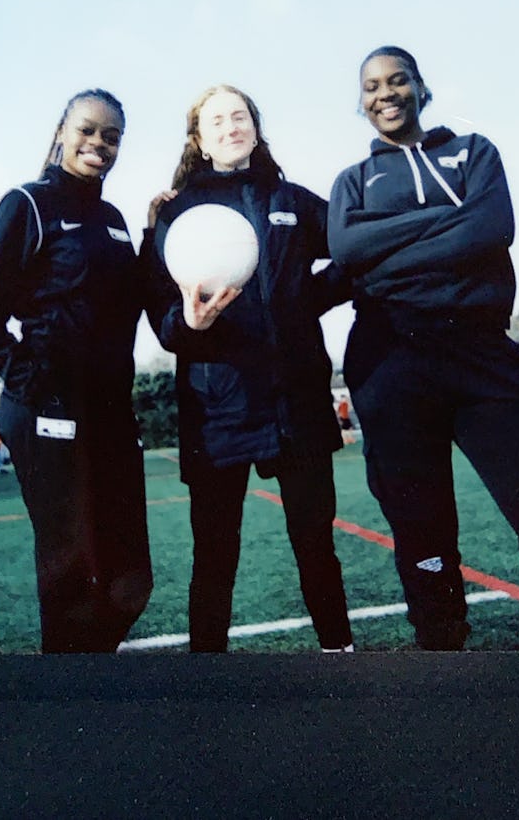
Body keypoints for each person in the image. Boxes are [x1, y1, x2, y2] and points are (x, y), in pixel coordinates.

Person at [327, 45, 519, 650]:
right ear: (360, 102)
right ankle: (441, 643)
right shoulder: (352, 181)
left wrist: (385, 252)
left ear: (420, 87)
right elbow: (347, 251)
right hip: (390, 357)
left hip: (479, 351)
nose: (385, 93)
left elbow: (490, 228)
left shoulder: (473, 152)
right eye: (371, 86)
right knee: (418, 515)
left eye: (397, 80)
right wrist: (445, 222)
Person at [146, 84, 354, 654]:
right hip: (219, 412)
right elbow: (163, 321)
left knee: (316, 543)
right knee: (215, 553)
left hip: (297, 404)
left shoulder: (291, 198)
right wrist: (192, 323)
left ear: (256, 127)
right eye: (217, 120)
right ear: (199, 138)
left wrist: (303, 298)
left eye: (239, 116)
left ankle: (341, 653)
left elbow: (353, 251)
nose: (230, 126)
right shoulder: (175, 215)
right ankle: (207, 674)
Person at [0, 89, 153, 654]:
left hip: (111, 412)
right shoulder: (28, 203)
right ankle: (66, 708)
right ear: (62, 132)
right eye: (88, 130)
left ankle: (83, 674)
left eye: (112, 136)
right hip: (49, 411)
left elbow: (133, 301)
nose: (99, 143)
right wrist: (32, 381)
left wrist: (155, 231)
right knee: (69, 573)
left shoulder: (113, 220)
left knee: (130, 579)